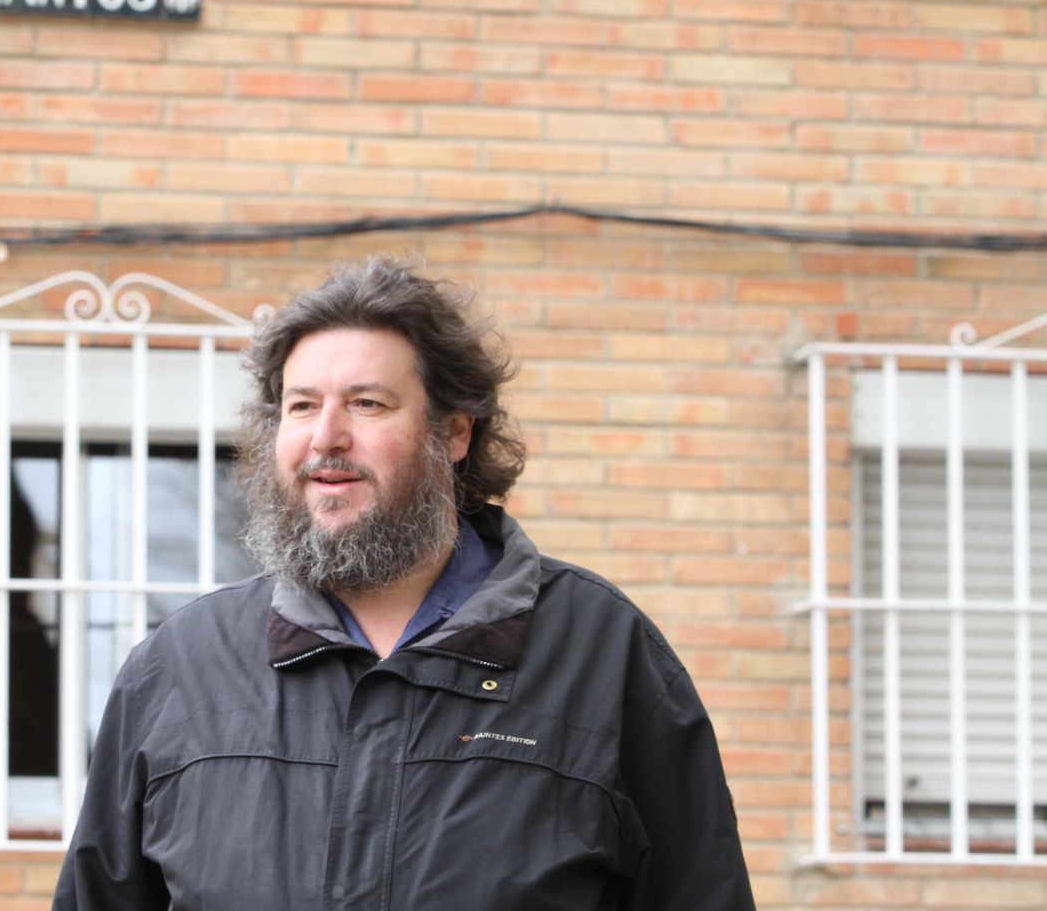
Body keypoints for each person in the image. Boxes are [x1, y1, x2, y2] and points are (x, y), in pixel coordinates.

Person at [54, 257, 756, 910]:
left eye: (367, 403)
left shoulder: (602, 655)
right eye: (301, 407)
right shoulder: (179, 669)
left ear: (453, 431)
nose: (326, 436)